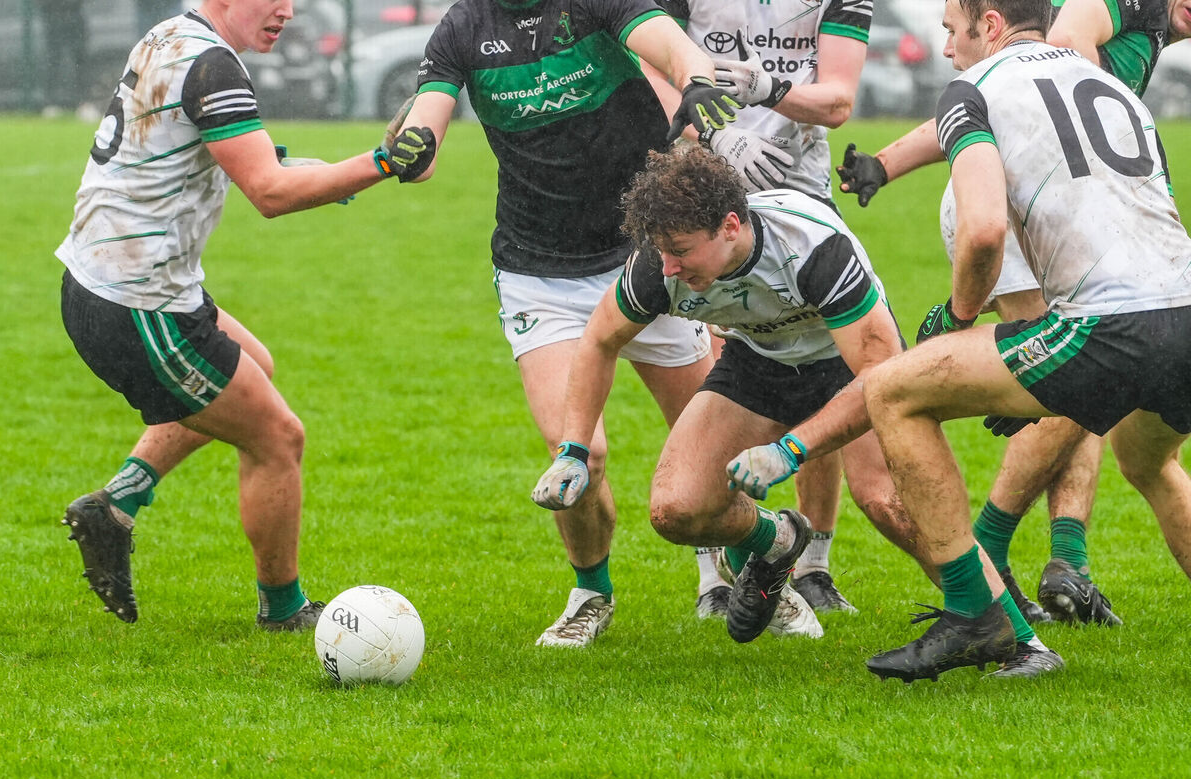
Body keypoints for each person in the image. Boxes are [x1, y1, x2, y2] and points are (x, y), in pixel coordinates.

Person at [533, 144, 1060, 677]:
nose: (669, 266)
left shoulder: (812, 247)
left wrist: (791, 449)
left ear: (731, 227)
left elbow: (878, 376)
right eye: (661, 251)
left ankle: (1020, 640)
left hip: (847, 365)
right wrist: (574, 451)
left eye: (682, 251)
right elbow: (600, 340)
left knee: (889, 502)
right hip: (758, 363)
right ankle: (778, 539)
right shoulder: (659, 266)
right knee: (678, 510)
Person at [58, 0, 433, 630]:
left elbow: (236, 154)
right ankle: (283, 610)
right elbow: (269, 191)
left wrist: (343, 173)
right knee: (278, 437)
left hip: (112, 283)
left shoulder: (173, 34)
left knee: (254, 366)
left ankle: (116, 503)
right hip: (138, 304)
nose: (289, 10)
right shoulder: (212, 63)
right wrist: (382, 163)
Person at [857, 0, 1191, 682]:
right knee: (1147, 460)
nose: (947, 49)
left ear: (991, 23)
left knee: (893, 391)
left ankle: (975, 614)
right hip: (1183, 306)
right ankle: (1026, 567)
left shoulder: (974, 88)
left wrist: (953, 319)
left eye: (952, 30)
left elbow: (983, 230)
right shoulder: (1107, 81)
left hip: (1110, 324)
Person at [392, 0, 743, 647]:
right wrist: (411, 145)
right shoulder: (462, 27)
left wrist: (696, 77)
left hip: (644, 255)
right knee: (580, 456)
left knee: (712, 445)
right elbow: (426, 130)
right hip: (538, 272)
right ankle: (592, 591)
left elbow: (670, 45)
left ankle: (751, 570)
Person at [652, 0, 875, 622]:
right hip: (700, 186)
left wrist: (767, 89)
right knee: (722, 367)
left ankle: (814, 564)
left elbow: (835, 100)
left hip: (795, 178)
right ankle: (715, 566)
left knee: (816, 364)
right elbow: (652, 63)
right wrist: (715, 133)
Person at [37, 0, 88, 116]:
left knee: (80, 61)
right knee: (53, 61)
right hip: (52, 17)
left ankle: (83, 103)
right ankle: (50, 104)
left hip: (75, 14)